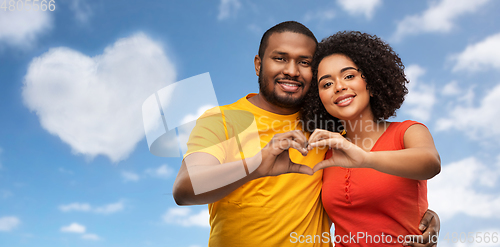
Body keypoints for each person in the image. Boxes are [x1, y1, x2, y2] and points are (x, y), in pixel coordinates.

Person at [173, 21, 440, 247]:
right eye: (279, 58)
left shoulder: (325, 128)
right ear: (258, 64)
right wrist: (255, 166)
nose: (291, 70)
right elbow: (186, 189)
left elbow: (386, 173)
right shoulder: (222, 119)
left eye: (304, 62)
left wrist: (416, 215)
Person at [301, 31, 441, 246]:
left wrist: (366, 159)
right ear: (319, 100)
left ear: (373, 83)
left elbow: (431, 163)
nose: (339, 87)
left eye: (349, 76)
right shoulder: (325, 154)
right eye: (326, 84)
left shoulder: (407, 132)